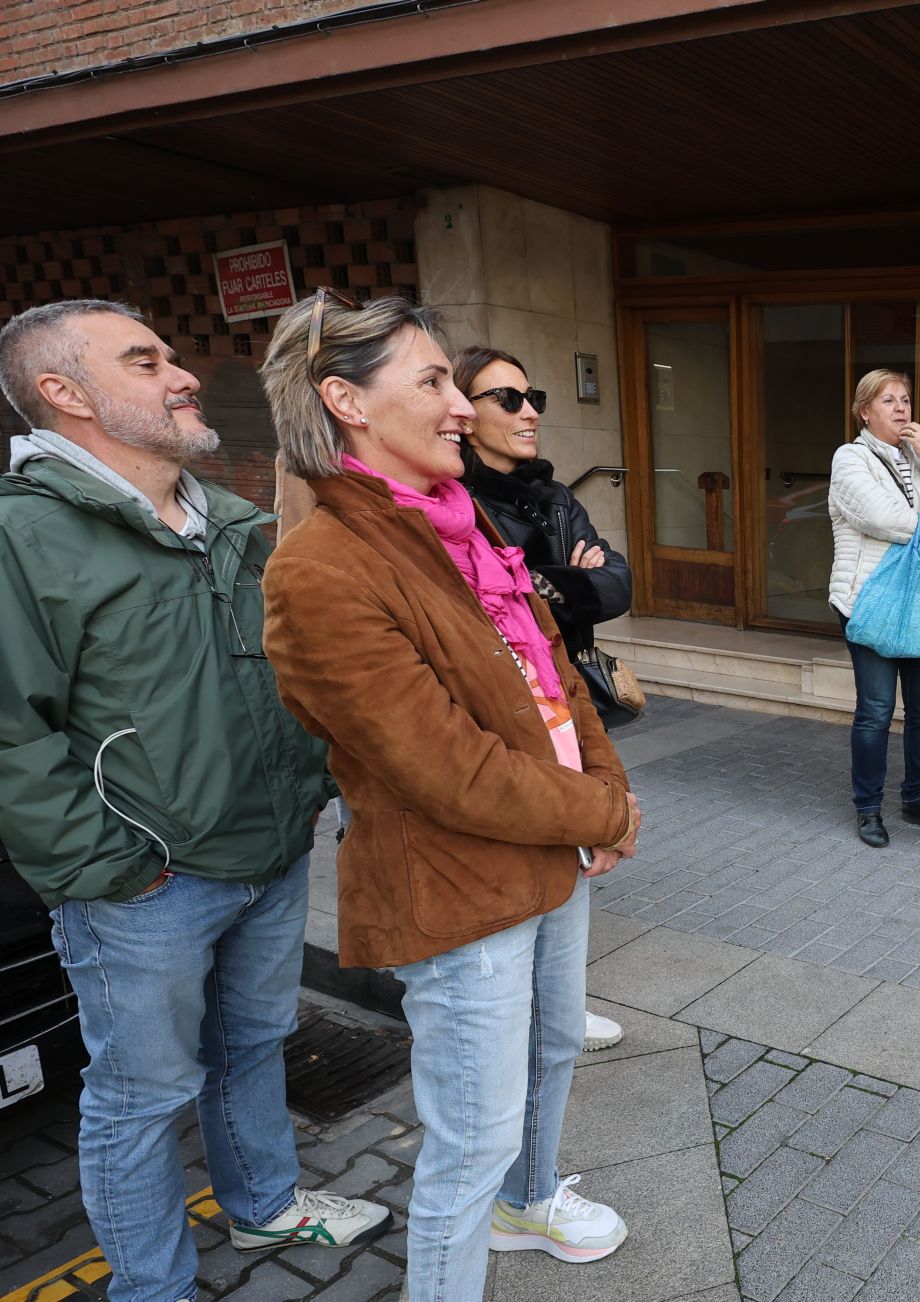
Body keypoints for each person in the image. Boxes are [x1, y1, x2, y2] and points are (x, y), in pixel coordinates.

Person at [0, 300, 389, 1302]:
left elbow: (295, 669)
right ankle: (153, 1289)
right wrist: (112, 872)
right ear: (64, 393)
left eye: (172, 355)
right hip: (144, 890)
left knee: (253, 1044)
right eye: (145, 360)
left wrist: (306, 792)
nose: (182, 375)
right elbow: (12, 737)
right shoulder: (23, 537)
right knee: (139, 1098)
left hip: (268, 852)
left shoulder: (234, 520)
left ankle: (263, 1207)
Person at [258, 291, 639, 1300]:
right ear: (344, 399)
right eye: (431, 382)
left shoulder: (459, 525)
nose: (462, 405)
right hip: (456, 880)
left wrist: (606, 785)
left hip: (551, 842)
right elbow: (445, 767)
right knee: (469, 1143)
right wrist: (605, 812)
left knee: (555, 1042)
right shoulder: (321, 567)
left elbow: (554, 675)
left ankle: (533, 1202)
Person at [454, 344, 632, 1055]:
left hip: (563, 697)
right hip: (496, 711)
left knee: (572, 852)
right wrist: (561, 579)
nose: (529, 412)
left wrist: (552, 582)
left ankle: (558, 1003)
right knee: (514, 855)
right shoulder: (454, 500)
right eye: (508, 399)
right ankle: (515, 1011)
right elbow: (491, 611)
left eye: (535, 398)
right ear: (463, 415)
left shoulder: (553, 497)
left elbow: (616, 584)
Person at [827, 368, 920, 847]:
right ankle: (868, 808)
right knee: (875, 711)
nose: (901, 409)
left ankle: (917, 799)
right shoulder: (850, 458)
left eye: (906, 400)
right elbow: (884, 519)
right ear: (864, 410)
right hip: (870, 602)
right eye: (888, 400)